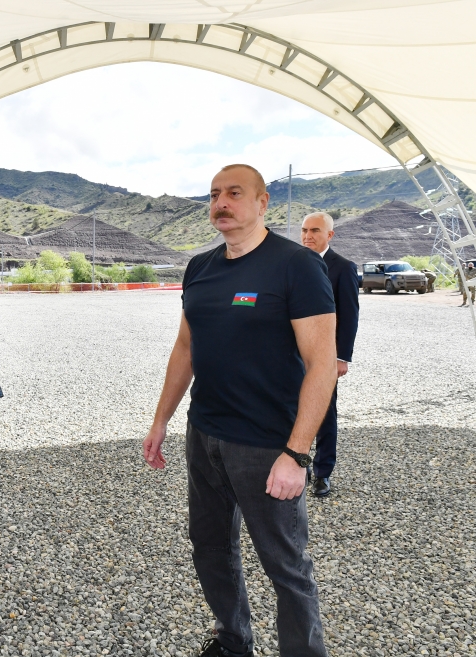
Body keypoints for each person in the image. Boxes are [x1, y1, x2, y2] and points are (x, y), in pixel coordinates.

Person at [143, 164, 336, 657]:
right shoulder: (199, 268)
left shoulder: (296, 265)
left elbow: (322, 365)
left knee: (285, 565)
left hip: (267, 445)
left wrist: (297, 454)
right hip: (204, 434)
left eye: (234, 193)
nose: (221, 204)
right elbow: (185, 348)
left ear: (262, 202)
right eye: (214, 195)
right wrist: (162, 419)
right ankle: (233, 642)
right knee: (210, 549)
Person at [300, 212, 359, 497]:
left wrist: (341, 357)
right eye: (304, 230)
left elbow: (349, 315)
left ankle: (322, 473)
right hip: (293, 355)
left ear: (329, 235)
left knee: (324, 413)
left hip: (325, 357)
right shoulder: (294, 263)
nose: (307, 236)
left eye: (314, 230)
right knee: (291, 411)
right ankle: (300, 465)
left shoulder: (343, 268)